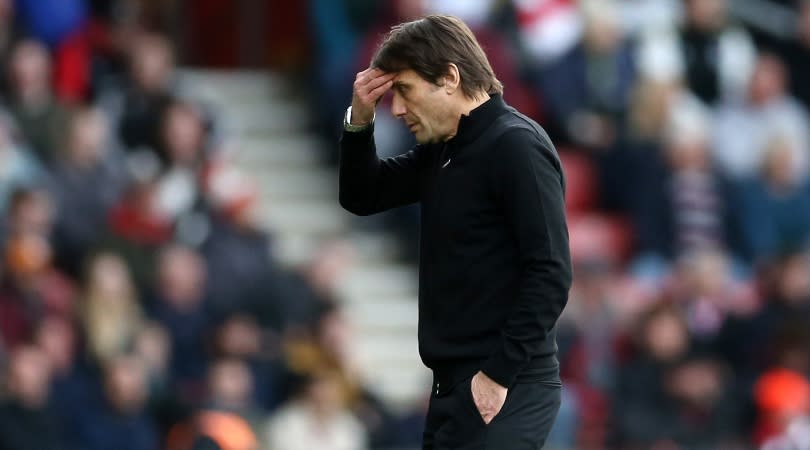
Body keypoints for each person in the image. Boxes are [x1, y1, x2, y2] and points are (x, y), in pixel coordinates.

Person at [338, 14, 572, 449]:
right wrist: (359, 120)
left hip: (507, 385)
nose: (399, 109)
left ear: (449, 77)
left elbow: (551, 272)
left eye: (405, 91)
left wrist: (497, 375)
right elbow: (361, 195)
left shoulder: (516, 145)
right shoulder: (443, 150)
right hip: (453, 388)